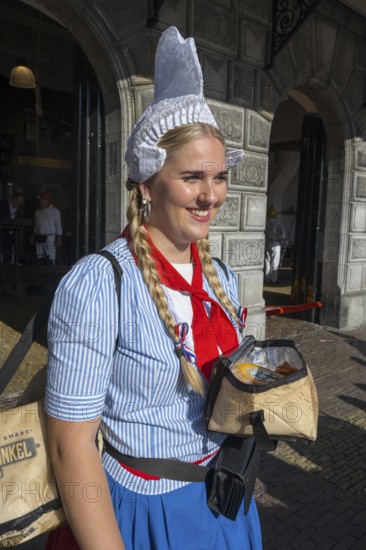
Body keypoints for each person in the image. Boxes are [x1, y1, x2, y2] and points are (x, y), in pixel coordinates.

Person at [45, 27, 262, 550]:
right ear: (147, 185)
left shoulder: (223, 277)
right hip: (146, 513)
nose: (211, 195)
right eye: (192, 177)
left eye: (219, 177)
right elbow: (69, 447)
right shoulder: (100, 283)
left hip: (225, 499)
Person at [30, 191, 62, 265]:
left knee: (50, 256)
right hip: (39, 237)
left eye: (42, 200)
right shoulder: (37, 212)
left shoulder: (55, 211)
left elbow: (58, 225)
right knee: (39, 256)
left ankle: (51, 270)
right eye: (40, 200)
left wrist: (59, 238)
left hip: (50, 237)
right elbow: (36, 226)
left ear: (47, 201)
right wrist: (33, 236)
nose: (40, 202)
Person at [0, 191, 24, 263]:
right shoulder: (2, 204)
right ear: (13, 198)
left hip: (12, 235)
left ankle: (8, 270)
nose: (19, 205)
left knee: (9, 255)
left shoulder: (19, 209)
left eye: (20, 203)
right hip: (1, 234)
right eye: (18, 202)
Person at [264, 206, 286, 283]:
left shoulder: (265, 223)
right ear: (274, 215)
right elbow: (283, 234)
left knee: (267, 261)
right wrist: (282, 241)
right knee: (275, 262)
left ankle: (267, 278)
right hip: (276, 244)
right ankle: (273, 279)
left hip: (267, 243)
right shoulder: (278, 223)